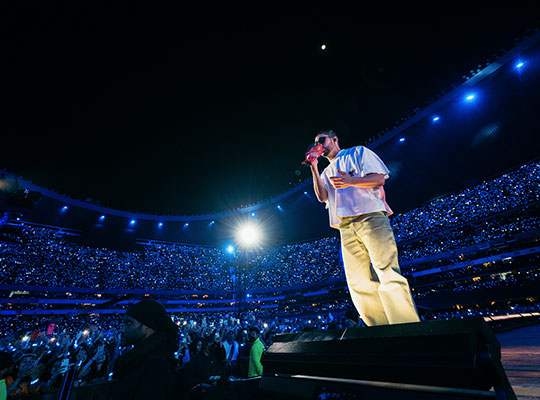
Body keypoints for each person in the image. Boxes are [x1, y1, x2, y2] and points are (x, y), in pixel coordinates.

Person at [308, 130, 420, 326]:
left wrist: (351, 181)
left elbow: (379, 179)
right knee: (358, 282)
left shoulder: (357, 152)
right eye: (316, 142)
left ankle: (406, 327)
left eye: (322, 140)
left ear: (335, 139)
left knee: (386, 270)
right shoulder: (326, 172)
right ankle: (379, 328)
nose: (319, 144)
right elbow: (322, 197)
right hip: (345, 225)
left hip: (370, 215)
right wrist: (314, 167)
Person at [110, 299, 179, 400]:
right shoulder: (142, 359)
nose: (122, 329)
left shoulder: (156, 366)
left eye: (129, 323)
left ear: (148, 327)